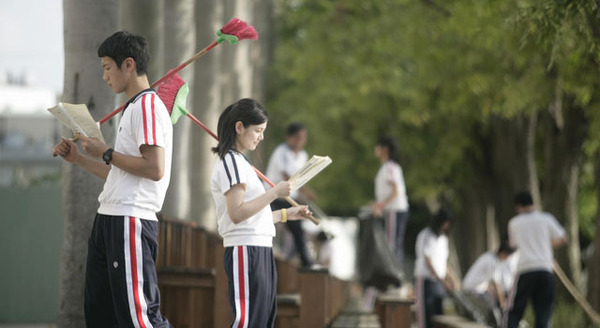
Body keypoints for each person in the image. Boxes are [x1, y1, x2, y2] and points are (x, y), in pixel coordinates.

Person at [52, 31, 172, 327]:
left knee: (139, 317)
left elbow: (154, 168)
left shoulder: (146, 106)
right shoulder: (134, 108)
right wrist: (80, 158)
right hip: (110, 218)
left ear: (128, 64)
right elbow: (121, 173)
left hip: (129, 220)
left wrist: (105, 152)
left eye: (107, 67)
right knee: (102, 314)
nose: (105, 77)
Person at [210, 99, 311, 327]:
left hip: (260, 246)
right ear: (239, 127)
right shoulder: (231, 163)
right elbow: (236, 213)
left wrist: (287, 215)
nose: (261, 137)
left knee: (263, 319)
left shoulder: (242, 163)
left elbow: (252, 216)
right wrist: (275, 192)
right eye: (258, 130)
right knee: (247, 320)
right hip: (245, 248)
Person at [504, 191, 567, 328]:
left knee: (515, 311)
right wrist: (545, 244)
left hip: (525, 269)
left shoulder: (514, 222)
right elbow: (563, 237)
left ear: (518, 206)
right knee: (543, 312)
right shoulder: (546, 218)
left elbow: (513, 244)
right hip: (545, 269)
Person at [265, 122, 315, 267]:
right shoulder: (281, 151)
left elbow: (301, 177)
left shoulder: (303, 155)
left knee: (297, 230)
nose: (301, 141)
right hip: (273, 196)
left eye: (303, 138)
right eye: (298, 137)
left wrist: (302, 191)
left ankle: (305, 262)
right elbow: (287, 176)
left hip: (289, 198)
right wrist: (305, 191)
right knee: (269, 227)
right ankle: (270, 256)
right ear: (290, 137)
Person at [414, 209, 459, 328]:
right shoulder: (426, 235)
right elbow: (428, 260)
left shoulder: (444, 239)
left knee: (439, 316)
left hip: (438, 284)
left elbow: (443, 263)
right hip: (426, 280)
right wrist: (442, 280)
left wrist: (453, 279)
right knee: (426, 315)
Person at [461, 242, 516, 327]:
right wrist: (503, 303)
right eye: (508, 256)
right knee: (491, 313)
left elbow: (489, 282)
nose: (508, 259)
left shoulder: (490, 257)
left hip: (475, 290)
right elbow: (496, 284)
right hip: (472, 291)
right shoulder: (492, 261)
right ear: (503, 253)